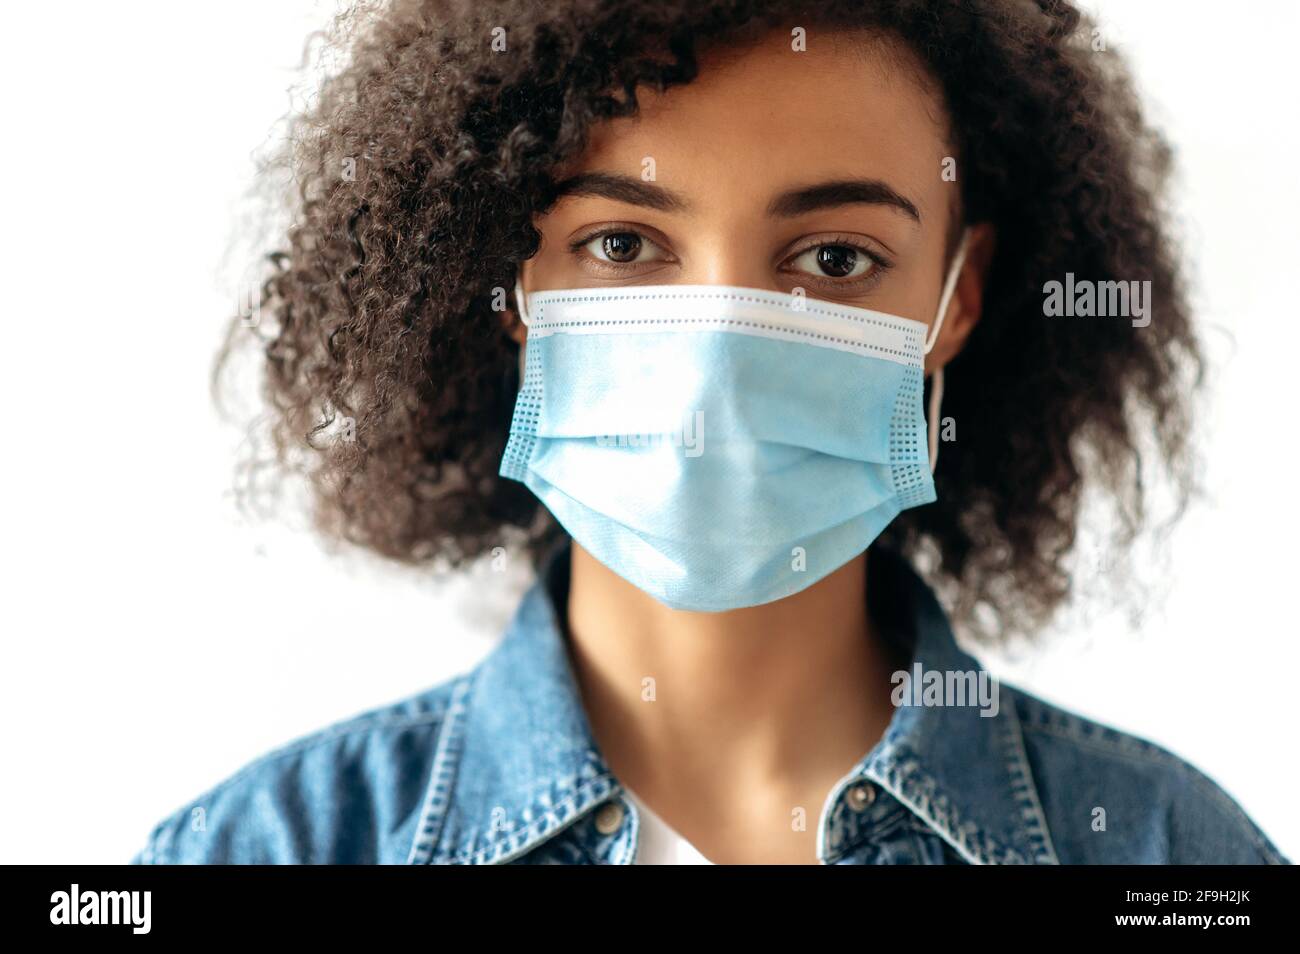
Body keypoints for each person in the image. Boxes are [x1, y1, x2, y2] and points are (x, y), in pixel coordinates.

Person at [133, 0, 1288, 865]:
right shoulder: (261, 849)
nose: (716, 363)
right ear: (506, 282)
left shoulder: (1167, 855)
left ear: (959, 296)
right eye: (624, 246)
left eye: (835, 259)